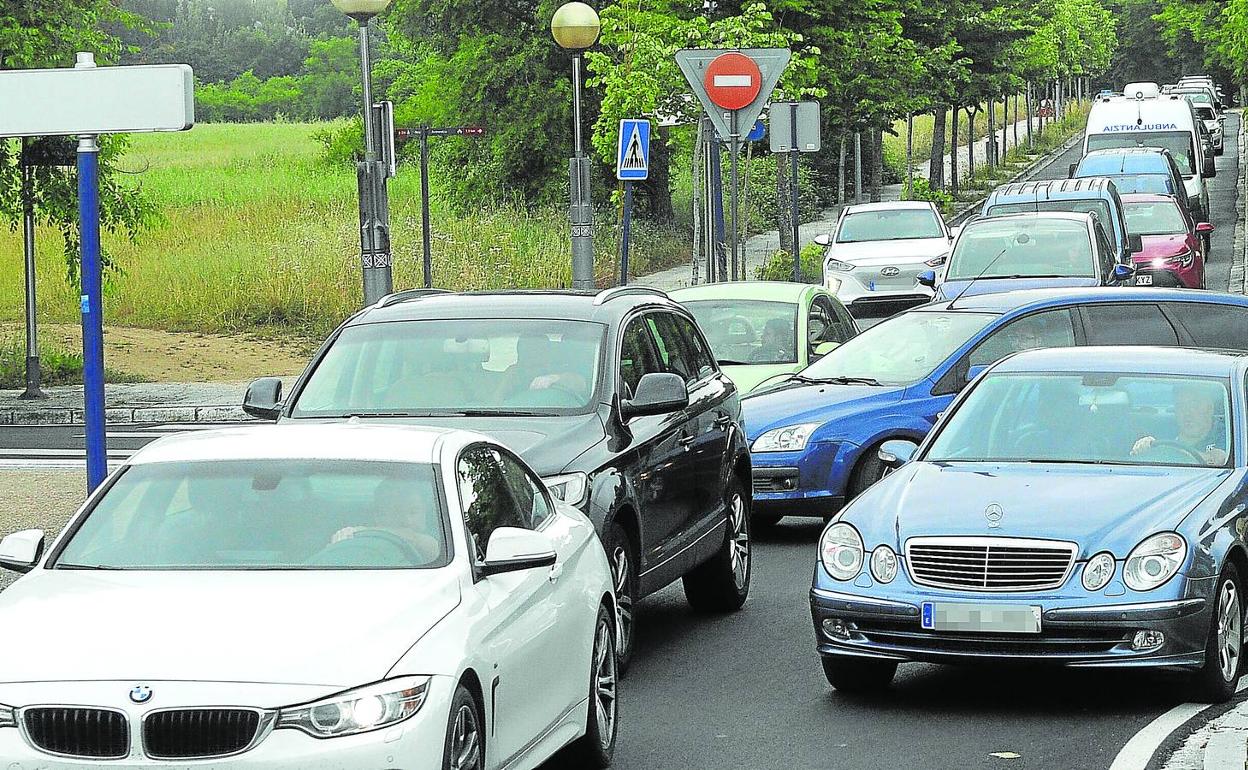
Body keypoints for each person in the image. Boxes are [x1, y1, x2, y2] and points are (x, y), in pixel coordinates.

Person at [1130, 383, 1229, 465]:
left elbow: (1216, 461)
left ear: (1209, 407)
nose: (1187, 412)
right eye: (1181, 405)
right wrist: (1145, 445)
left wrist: (1169, 449)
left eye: (1194, 404)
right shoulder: (1164, 431)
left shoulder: (1226, 432)